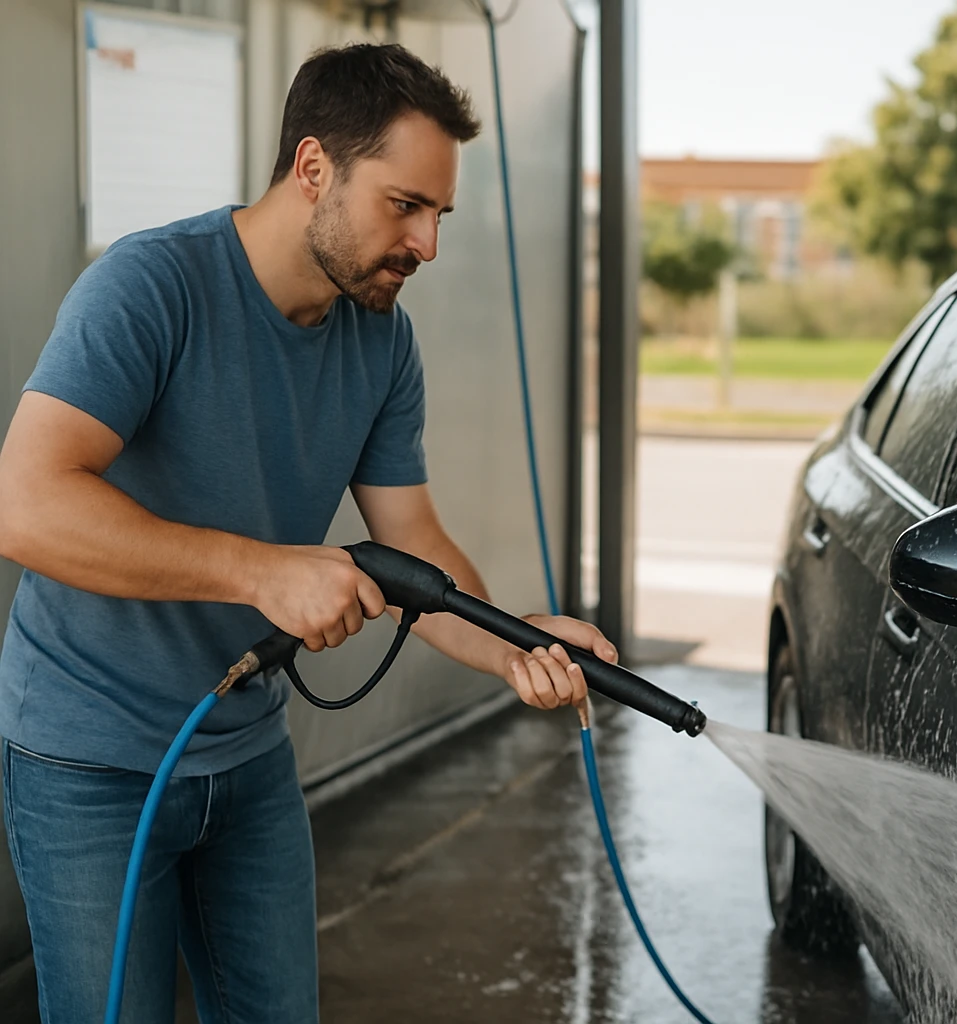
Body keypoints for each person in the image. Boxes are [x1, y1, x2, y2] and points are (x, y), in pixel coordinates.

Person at [0, 42, 612, 1023]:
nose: (427, 244)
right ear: (314, 167)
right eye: (404, 205)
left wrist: (518, 642)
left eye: (440, 215)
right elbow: (25, 505)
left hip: (244, 755)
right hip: (91, 757)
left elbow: (413, 543)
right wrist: (261, 573)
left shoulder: (382, 338)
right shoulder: (150, 287)